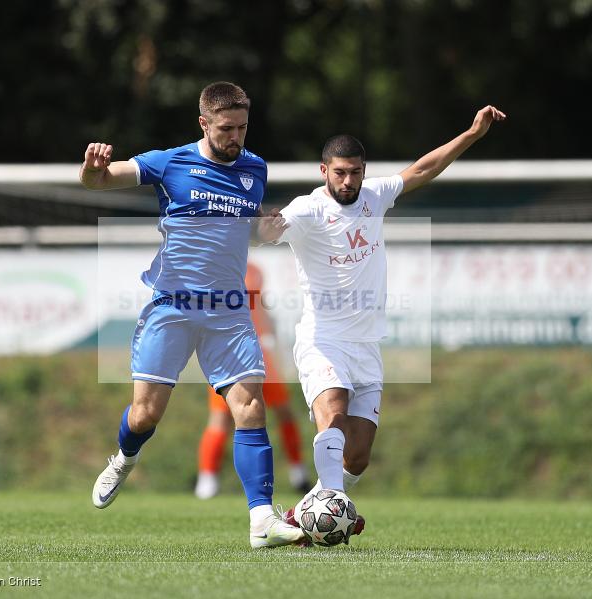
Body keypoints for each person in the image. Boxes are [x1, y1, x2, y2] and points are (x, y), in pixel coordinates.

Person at [261, 105, 507, 537]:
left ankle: (308, 516)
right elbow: (272, 228)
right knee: (332, 413)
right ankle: (331, 515)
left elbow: (423, 168)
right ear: (324, 170)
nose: (348, 181)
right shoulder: (308, 210)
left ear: (363, 170)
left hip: (367, 345)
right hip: (323, 339)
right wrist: (265, 225)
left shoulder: (374, 196)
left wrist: (471, 134)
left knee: (356, 458)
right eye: (339, 172)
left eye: (355, 172)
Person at [80, 81, 304, 548]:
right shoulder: (170, 162)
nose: (236, 137)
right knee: (144, 416)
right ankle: (123, 458)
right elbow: (102, 181)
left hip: (228, 310)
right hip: (173, 307)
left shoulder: (255, 168)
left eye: (243, 127)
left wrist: (265, 229)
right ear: (204, 123)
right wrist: (92, 169)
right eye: (227, 128)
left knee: (250, 406)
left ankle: (261, 520)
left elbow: (250, 232)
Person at [195, 262, 311, 500]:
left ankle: (298, 472)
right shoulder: (214, 266)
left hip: (261, 352)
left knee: (285, 412)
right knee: (221, 418)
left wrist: (276, 346)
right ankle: (207, 478)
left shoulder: (256, 269)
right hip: (228, 352)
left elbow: (262, 307)